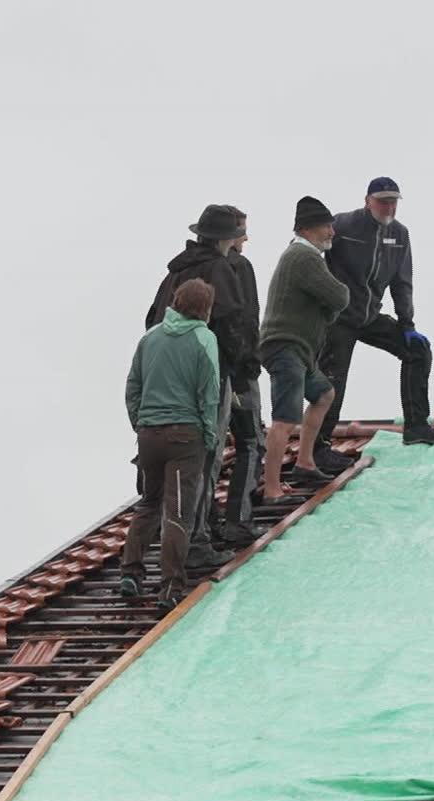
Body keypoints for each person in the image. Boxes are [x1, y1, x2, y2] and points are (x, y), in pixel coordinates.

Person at [145, 205, 257, 568]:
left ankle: (179, 538)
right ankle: (196, 543)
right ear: (227, 239)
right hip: (209, 378)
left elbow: (151, 321)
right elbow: (233, 324)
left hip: (164, 384)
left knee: (174, 467)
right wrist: (240, 369)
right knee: (206, 457)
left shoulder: (175, 272)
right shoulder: (221, 269)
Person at [316, 177, 434, 463]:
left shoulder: (400, 234)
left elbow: (402, 282)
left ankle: (416, 426)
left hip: (369, 317)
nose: (389, 206)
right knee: (333, 380)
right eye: (383, 200)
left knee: (418, 351)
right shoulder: (343, 225)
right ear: (368, 201)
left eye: (393, 201)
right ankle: (319, 446)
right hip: (338, 318)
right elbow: (310, 251)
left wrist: (407, 323)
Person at [121, 279, 223, 609]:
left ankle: (131, 573)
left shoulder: (149, 338)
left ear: (175, 302)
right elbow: (209, 394)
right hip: (185, 435)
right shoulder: (204, 339)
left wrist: (141, 421)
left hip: (149, 434)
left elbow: (132, 387)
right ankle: (170, 587)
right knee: (178, 511)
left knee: (149, 502)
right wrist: (209, 436)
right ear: (206, 309)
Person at [257, 196, 348, 500]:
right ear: (308, 230)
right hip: (286, 347)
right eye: (326, 227)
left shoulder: (302, 256)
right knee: (284, 419)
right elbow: (339, 298)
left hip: (298, 350)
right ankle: (271, 488)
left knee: (324, 394)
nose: (332, 232)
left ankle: (305, 462)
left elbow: (331, 305)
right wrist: (336, 299)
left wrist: (330, 306)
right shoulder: (304, 257)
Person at [217, 206, 266, 545]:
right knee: (250, 442)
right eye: (242, 232)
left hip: (207, 374)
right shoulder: (238, 266)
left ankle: (204, 524)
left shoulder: (187, 268)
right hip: (237, 370)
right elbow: (247, 319)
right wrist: (250, 362)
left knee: (212, 449)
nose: (246, 238)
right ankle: (237, 520)